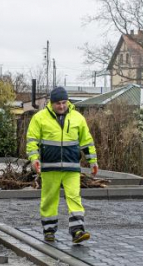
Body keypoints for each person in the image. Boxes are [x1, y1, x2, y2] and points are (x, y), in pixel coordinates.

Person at [26, 86, 98, 244]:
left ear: (68, 102)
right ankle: (49, 231)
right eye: (58, 103)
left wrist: (93, 161)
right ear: (51, 103)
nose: (61, 106)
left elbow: (86, 141)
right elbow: (32, 141)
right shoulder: (39, 118)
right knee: (49, 199)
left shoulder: (78, 118)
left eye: (64, 102)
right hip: (49, 167)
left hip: (71, 167)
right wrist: (34, 159)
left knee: (74, 197)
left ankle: (78, 231)